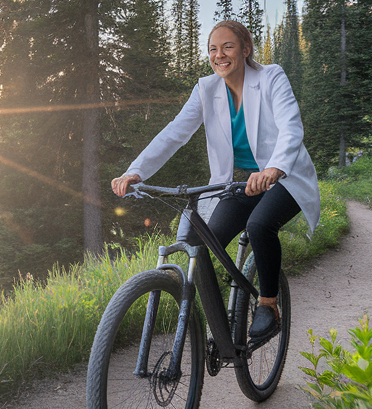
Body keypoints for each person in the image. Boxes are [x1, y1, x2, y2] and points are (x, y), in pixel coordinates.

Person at [110, 19, 319, 341]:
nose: (219, 55)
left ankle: (267, 304)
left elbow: (291, 126)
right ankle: (219, 324)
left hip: (284, 178)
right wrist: (136, 171)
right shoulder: (206, 89)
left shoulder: (270, 77)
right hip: (237, 183)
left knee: (260, 226)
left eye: (228, 47)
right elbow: (175, 133)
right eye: (213, 49)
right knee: (203, 244)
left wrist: (274, 168)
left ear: (246, 50)